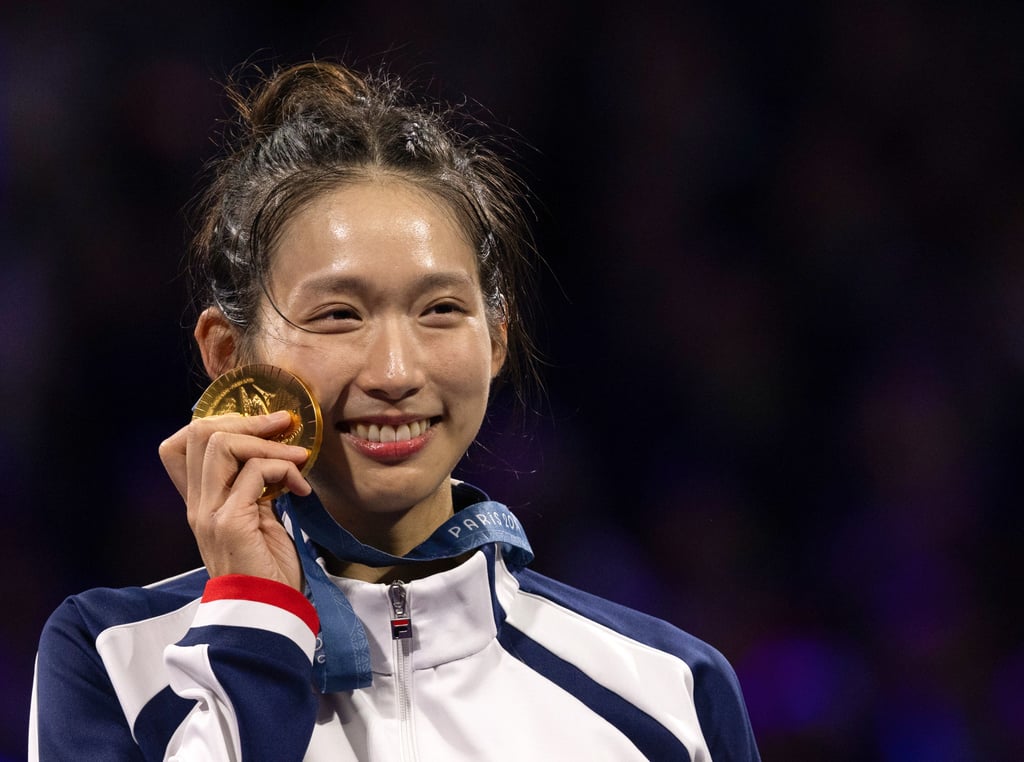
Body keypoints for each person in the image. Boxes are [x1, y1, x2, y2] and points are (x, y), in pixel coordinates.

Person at [29, 60, 761, 761]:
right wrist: (253, 615)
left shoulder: (669, 694)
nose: (395, 372)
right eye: (340, 315)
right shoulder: (111, 661)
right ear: (229, 354)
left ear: (496, 339)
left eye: (441, 309)